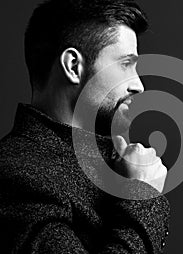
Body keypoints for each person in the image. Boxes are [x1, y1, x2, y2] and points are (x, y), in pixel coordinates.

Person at [0, 0, 170, 253]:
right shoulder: (16, 175)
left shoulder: (113, 163)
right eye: (125, 64)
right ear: (73, 67)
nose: (139, 85)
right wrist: (141, 196)